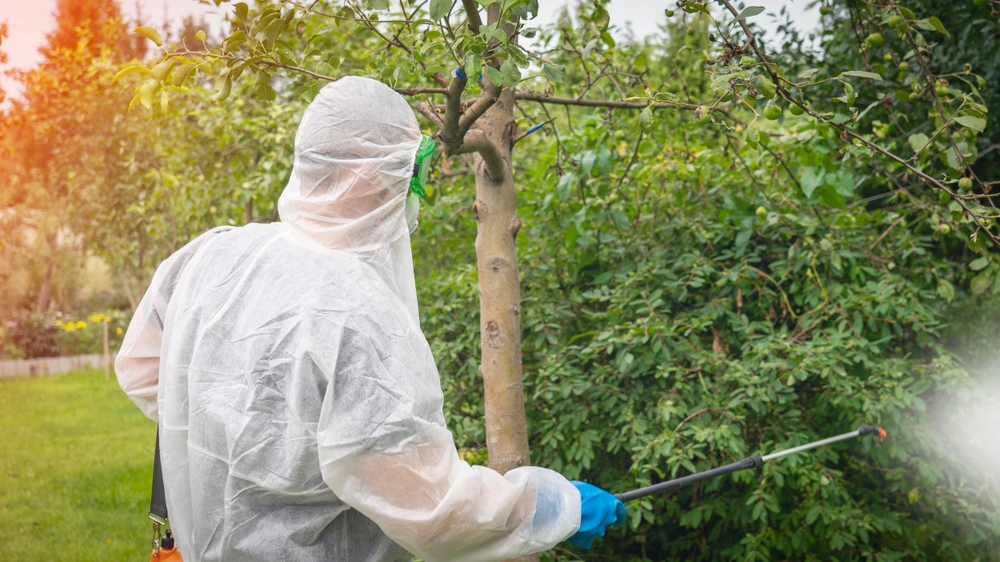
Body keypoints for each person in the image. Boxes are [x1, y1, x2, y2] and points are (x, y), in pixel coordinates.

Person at [116, 76, 624, 562]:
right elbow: (429, 507)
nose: (412, 194)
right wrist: (557, 508)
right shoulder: (358, 313)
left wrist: (250, 436)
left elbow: (142, 370)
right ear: (369, 176)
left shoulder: (211, 257)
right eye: (410, 173)